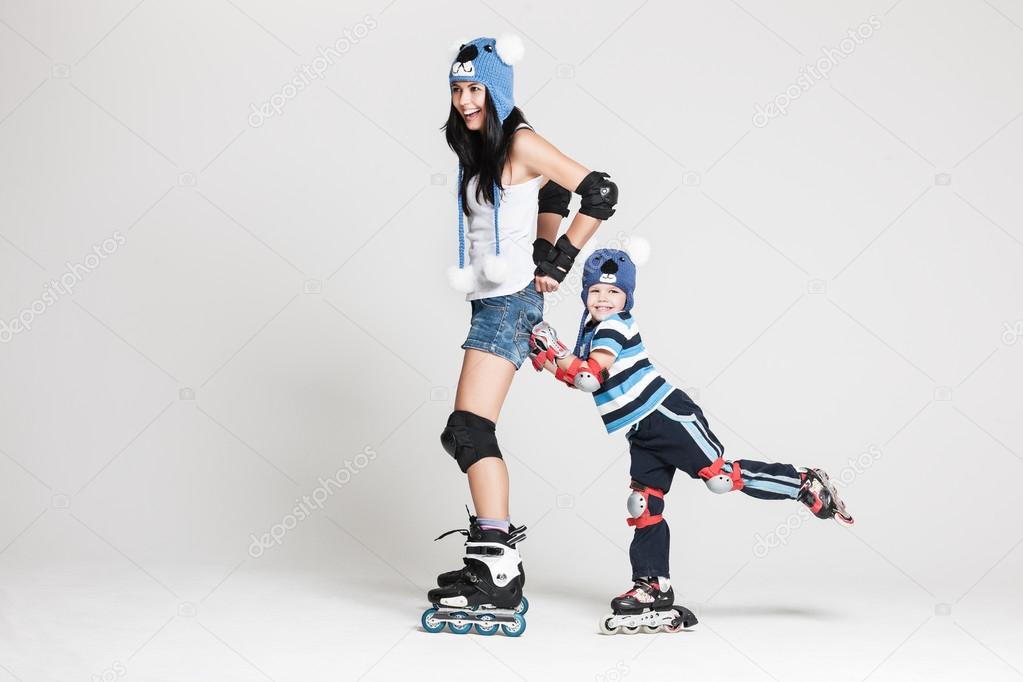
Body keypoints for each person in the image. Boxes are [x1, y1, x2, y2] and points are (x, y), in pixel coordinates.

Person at [528, 247, 854, 634]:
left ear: (627, 298)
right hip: (639, 429)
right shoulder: (593, 332)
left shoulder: (615, 326)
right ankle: (653, 585)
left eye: (614, 293)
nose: (604, 299)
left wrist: (554, 349)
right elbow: (576, 376)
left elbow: (588, 377)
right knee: (644, 503)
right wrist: (546, 359)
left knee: (719, 477)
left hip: (666, 415)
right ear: (584, 295)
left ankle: (802, 482)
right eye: (596, 291)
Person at [422, 35, 623, 637]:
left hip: (509, 304)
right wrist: (541, 245)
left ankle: (498, 570)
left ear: (497, 90)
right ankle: (491, 558)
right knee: (465, 431)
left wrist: (556, 264)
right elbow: (556, 191)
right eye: (457, 89)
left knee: (469, 430)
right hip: (493, 301)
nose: (464, 100)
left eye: (474, 88)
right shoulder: (482, 150)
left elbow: (598, 190)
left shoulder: (519, 141)